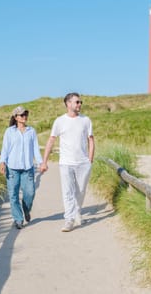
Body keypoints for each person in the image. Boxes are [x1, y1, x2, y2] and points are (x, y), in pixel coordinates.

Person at [40, 93, 95, 232]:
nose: (79, 104)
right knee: (67, 192)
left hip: (83, 162)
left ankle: (77, 211)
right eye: (77, 102)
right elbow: (51, 140)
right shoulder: (59, 121)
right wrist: (44, 161)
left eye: (80, 102)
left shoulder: (86, 120)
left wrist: (90, 160)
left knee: (80, 191)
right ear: (68, 104)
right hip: (66, 162)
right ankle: (69, 219)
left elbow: (91, 140)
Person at [0, 106, 43, 230]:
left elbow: (35, 149)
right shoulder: (9, 132)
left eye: (26, 114)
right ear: (16, 117)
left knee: (30, 192)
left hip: (27, 167)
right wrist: (2, 162)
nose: (24, 117)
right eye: (22, 115)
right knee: (13, 194)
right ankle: (18, 219)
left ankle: (26, 209)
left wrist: (40, 163)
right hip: (12, 168)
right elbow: (5, 148)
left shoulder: (31, 131)